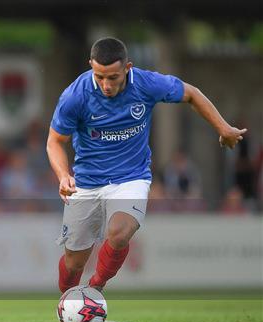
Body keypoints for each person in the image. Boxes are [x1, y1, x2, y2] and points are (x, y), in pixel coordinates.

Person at [46, 37, 246, 294]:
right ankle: (67, 299)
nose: (106, 85)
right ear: (90, 67)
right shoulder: (75, 95)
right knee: (74, 263)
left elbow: (191, 94)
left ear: (127, 68)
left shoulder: (147, 84)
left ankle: (95, 289)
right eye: (100, 77)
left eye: (113, 77)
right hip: (86, 182)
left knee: (119, 233)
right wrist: (63, 175)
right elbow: (54, 142)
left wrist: (224, 128)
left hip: (132, 177)